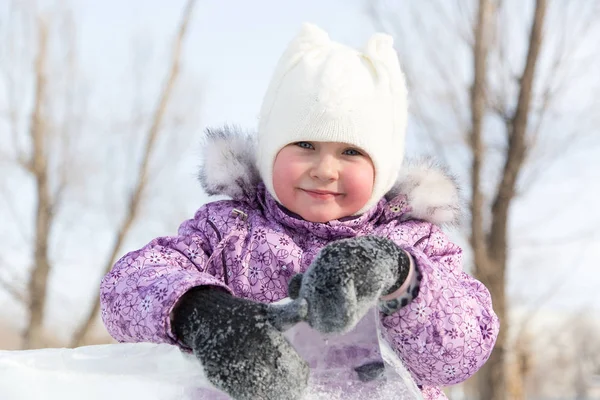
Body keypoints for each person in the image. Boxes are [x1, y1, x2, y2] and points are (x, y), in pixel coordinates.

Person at [100, 23, 499, 400]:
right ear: (270, 150)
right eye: (305, 145)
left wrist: (399, 277)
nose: (325, 170)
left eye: (351, 152)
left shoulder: (414, 241)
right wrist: (201, 311)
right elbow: (125, 288)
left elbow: (460, 354)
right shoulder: (227, 230)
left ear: (384, 169)